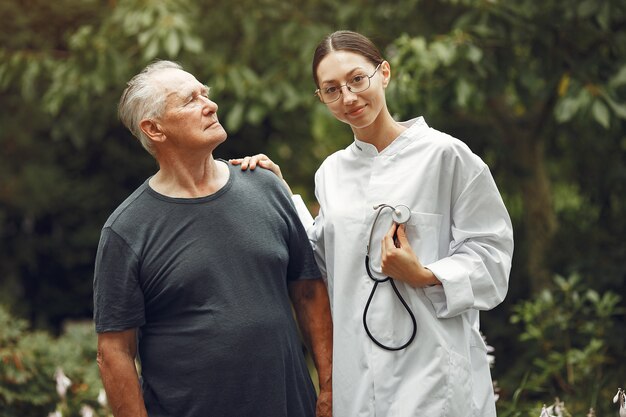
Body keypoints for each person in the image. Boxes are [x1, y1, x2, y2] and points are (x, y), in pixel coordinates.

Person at [232, 30, 514, 417]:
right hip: (359, 378)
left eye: (356, 79)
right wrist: (279, 190)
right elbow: (322, 260)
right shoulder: (331, 172)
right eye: (331, 89)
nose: (348, 97)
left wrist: (425, 273)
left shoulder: (446, 156)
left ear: (384, 73)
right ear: (321, 98)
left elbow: (493, 255)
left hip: (434, 372)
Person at [93, 60, 333, 417]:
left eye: (205, 93)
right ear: (154, 129)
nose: (210, 104)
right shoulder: (127, 230)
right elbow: (114, 351)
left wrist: (329, 385)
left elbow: (309, 291)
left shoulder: (266, 185)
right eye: (190, 100)